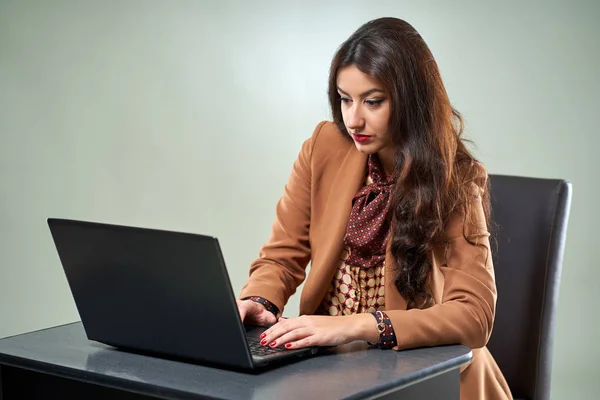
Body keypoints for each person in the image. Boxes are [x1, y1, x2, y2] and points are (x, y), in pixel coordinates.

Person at [237, 17, 512, 400]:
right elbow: (282, 256)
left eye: (373, 101)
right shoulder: (323, 146)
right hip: (325, 364)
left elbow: (475, 316)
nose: (353, 119)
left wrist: (359, 325)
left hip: (421, 372)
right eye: (345, 99)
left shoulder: (456, 178)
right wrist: (260, 301)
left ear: (410, 98)